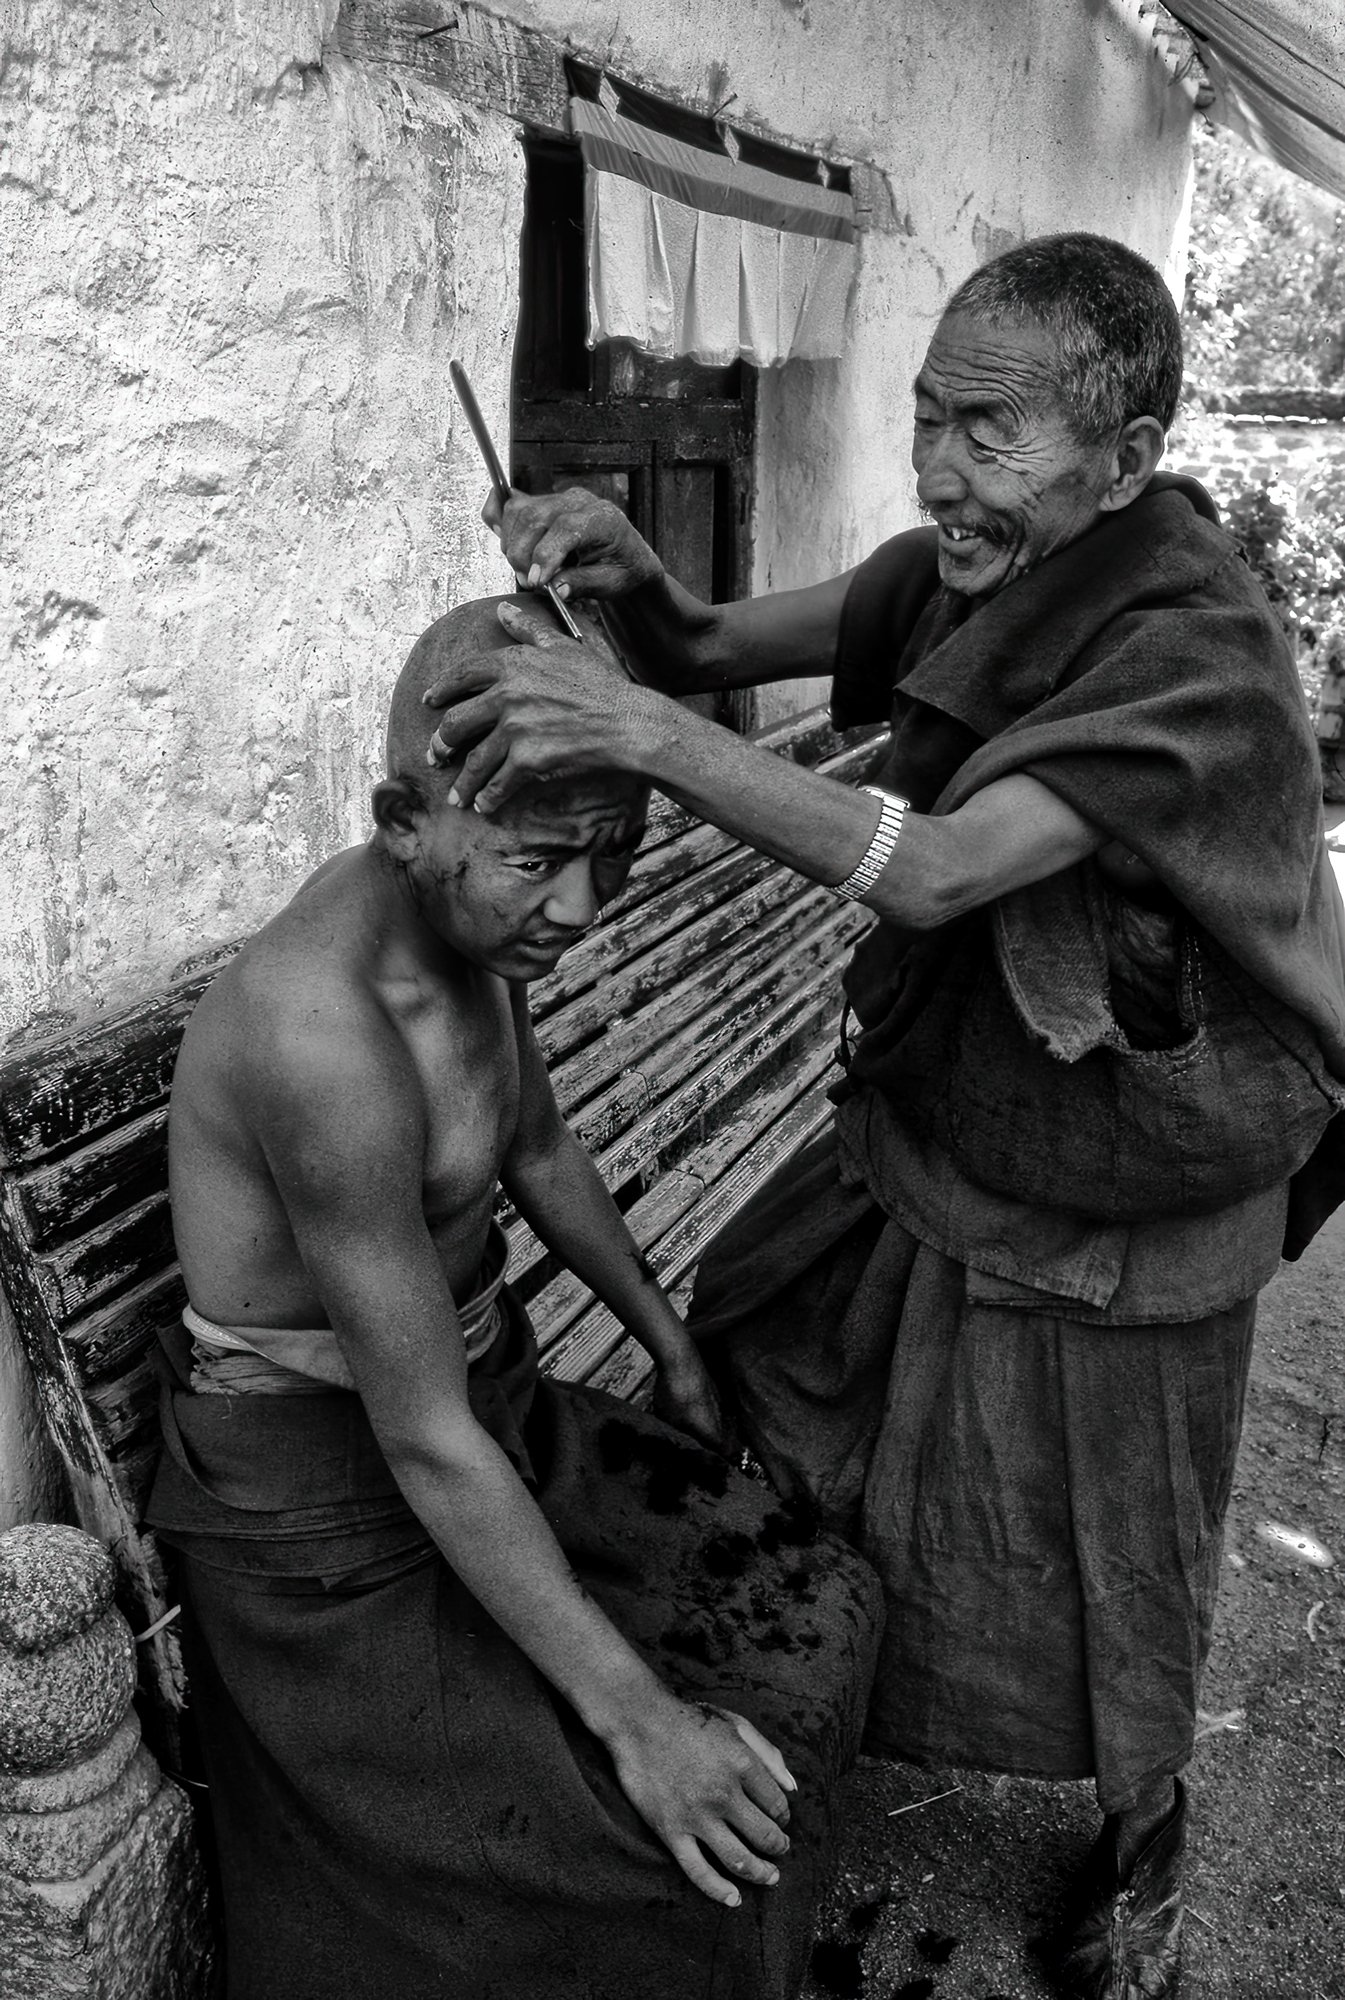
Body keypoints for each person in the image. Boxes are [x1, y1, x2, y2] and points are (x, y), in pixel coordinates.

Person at [421, 234, 1345, 2000]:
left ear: (1127, 453)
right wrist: (633, 591)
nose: (939, 471)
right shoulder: (960, 574)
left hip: (1139, 1167)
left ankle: (1146, 1833)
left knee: (1112, 1553)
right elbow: (701, 641)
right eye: (928, 419)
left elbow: (934, 875)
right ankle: (836, 1673)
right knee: (771, 1343)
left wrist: (635, 731)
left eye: (991, 435)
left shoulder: (1194, 658)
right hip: (952, 1111)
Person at [146, 594, 883, 2000]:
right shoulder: (322, 1036)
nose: (581, 908)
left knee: (822, 1601)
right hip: (324, 1513)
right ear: (405, 820)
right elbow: (419, 1440)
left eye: (612, 853)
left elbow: (533, 1142)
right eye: (543, 860)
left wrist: (665, 1340)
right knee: (662, 1856)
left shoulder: (481, 937)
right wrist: (641, 1726)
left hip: (480, 1418)